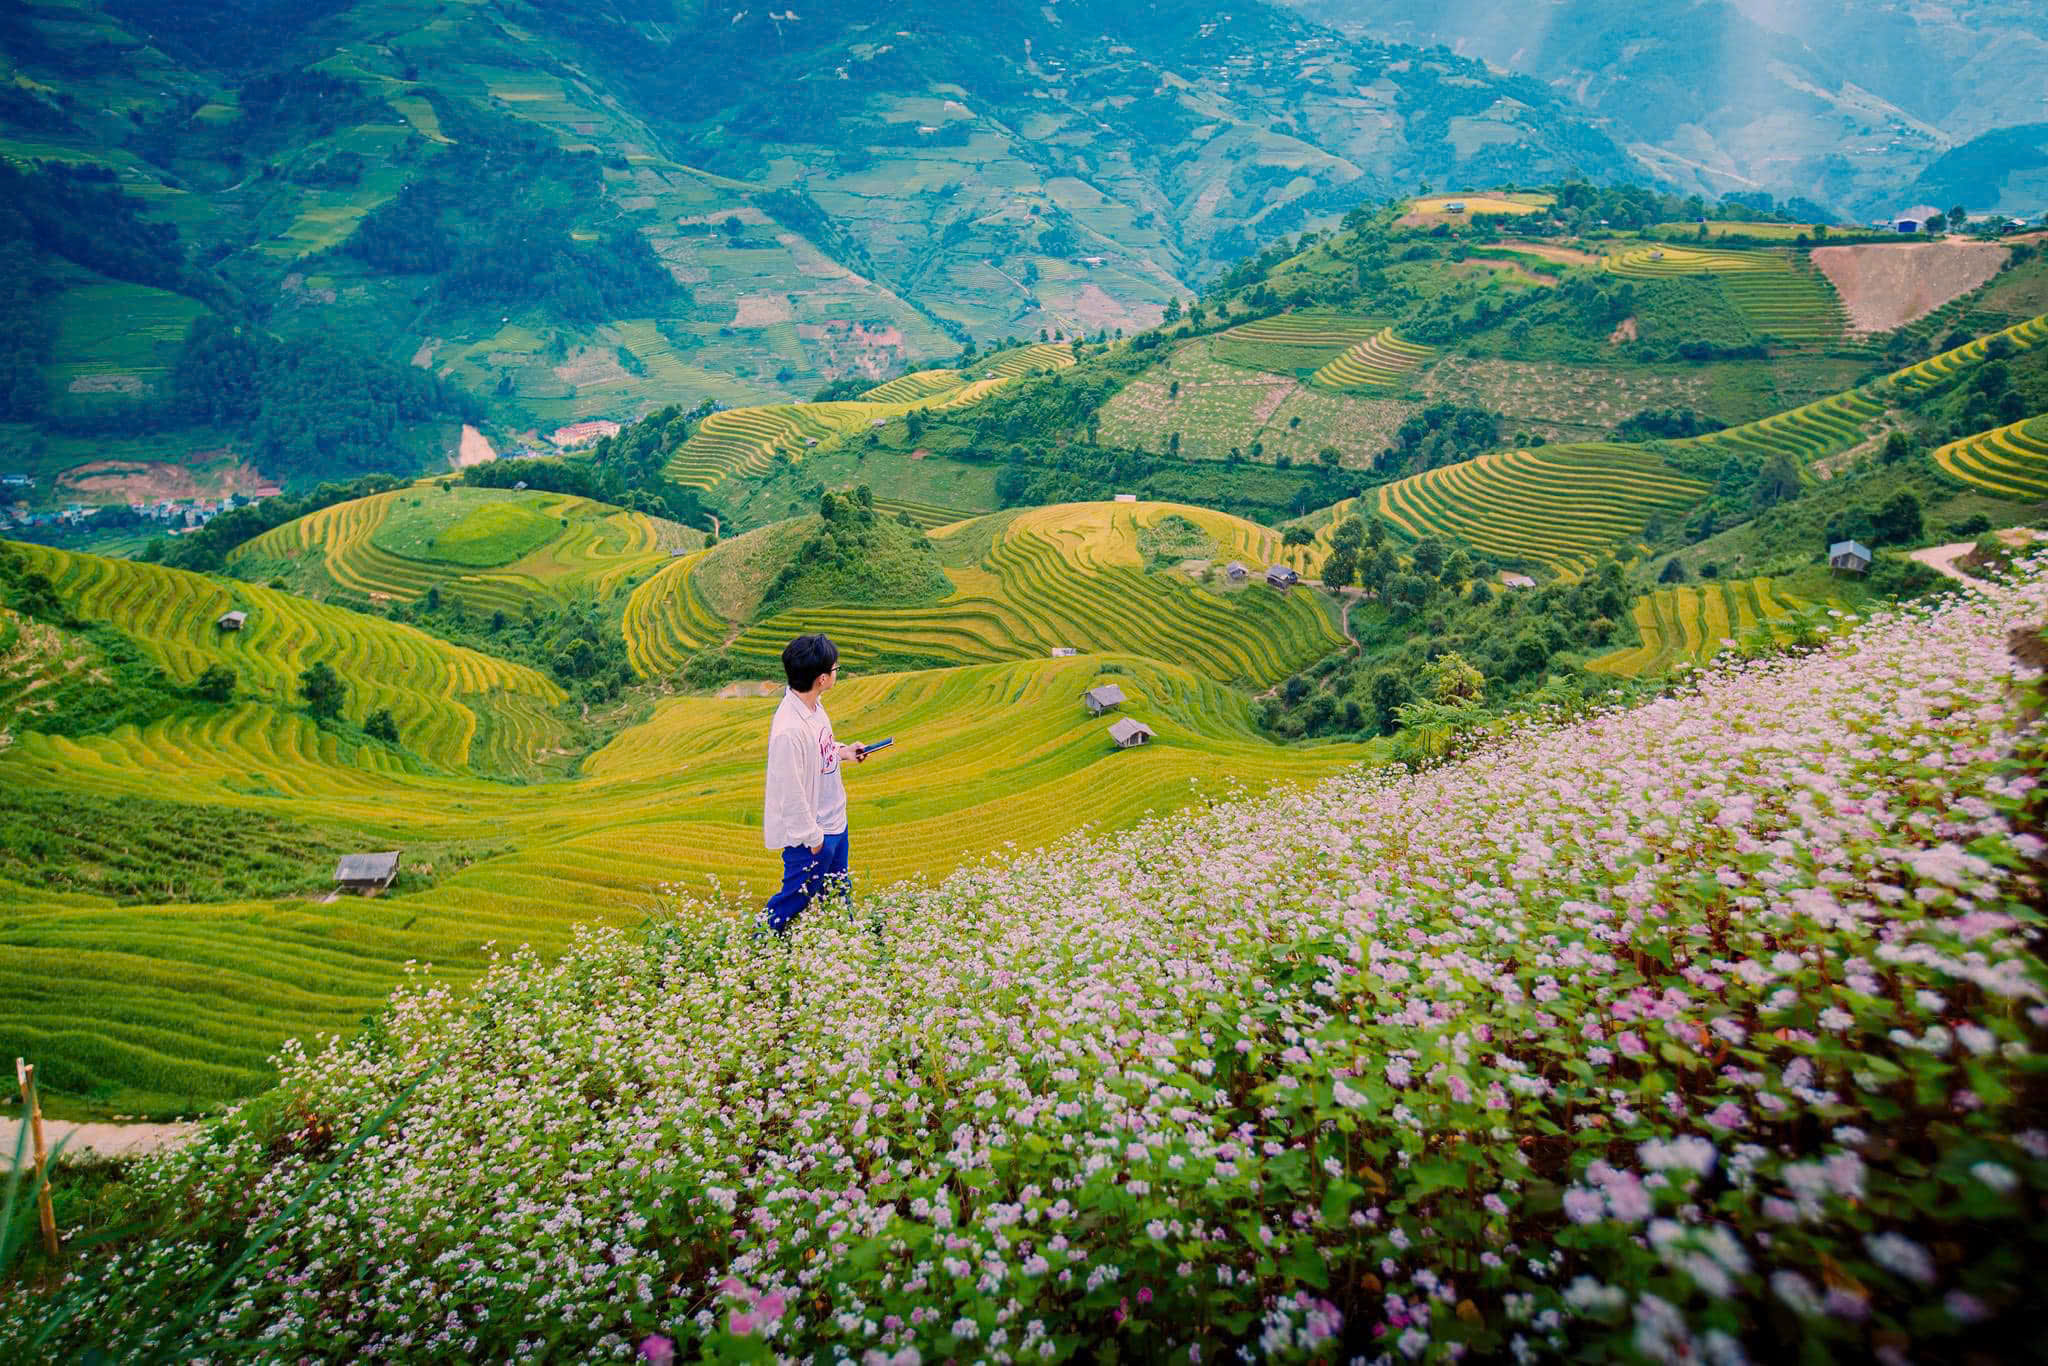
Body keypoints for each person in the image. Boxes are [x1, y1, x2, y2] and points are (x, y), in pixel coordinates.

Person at [761, 633, 865, 933]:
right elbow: (790, 795)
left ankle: (843, 946)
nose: (836, 672)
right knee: (792, 900)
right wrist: (815, 839)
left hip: (835, 821)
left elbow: (821, 748)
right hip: (813, 836)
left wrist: (843, 752)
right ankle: (758, 945)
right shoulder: (788, 732)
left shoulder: (813, 707)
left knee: (837, 893)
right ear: (821, 678)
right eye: (835, 669)